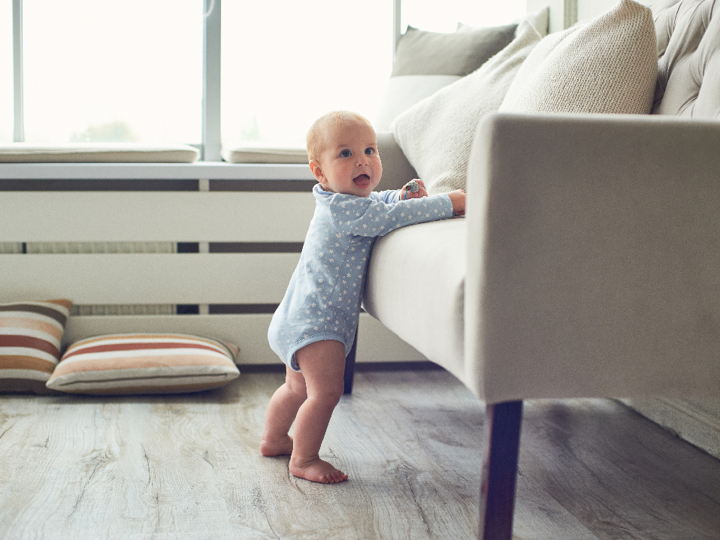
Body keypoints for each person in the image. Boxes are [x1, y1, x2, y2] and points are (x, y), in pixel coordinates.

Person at [261, 111, 466, 484]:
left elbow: (380, 203)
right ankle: (304, 459)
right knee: (324, 394)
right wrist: (448, 203)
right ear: (319, 172)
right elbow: (387, 218)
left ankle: (274, 438)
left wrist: (401, 194)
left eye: (370, 149)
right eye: (345, 154)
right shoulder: (346, 212)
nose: (363, 160)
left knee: (295, 387)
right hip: (320, 325)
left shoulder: (341, 201)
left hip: (297, 316)